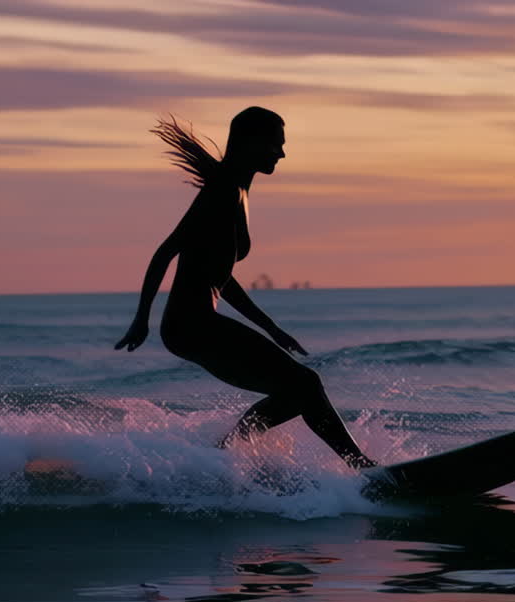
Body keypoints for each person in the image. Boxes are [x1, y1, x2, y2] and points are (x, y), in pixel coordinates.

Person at [115, 107, 376, 469]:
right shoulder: (223, 190)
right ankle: (359, 466)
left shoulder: (235, 189)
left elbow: (221, 278)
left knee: (296, 390)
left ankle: (222, 458)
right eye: (276, 144)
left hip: (192, 326)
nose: (281, 153)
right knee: (304, 384)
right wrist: (140, 319)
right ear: (251, 142)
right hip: (192, 325)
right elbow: (166, 251)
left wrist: (271, 328)